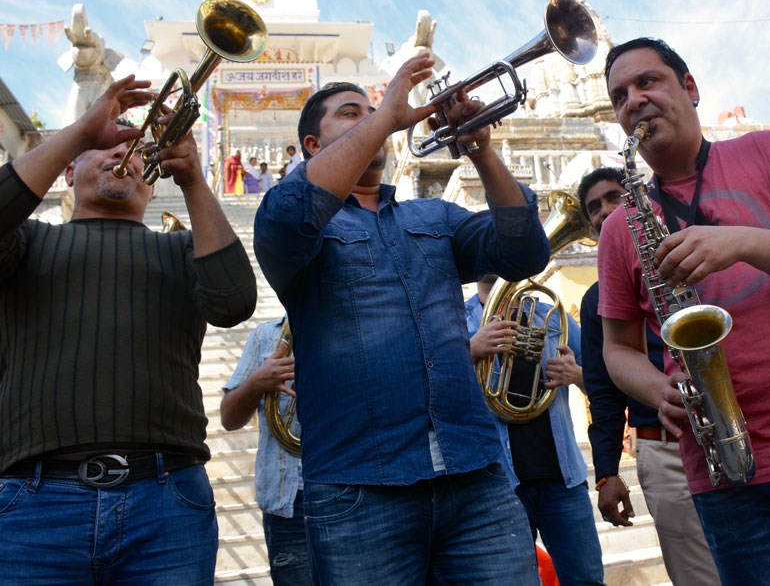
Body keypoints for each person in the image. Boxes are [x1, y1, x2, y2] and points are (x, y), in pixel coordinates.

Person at [253, 54, 551, 584]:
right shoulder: (291, 217)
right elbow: (289, 219)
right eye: (352, 113)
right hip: (358, 490)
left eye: (373, 110)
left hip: (476, 476)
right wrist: (385, 118)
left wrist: (481, 148)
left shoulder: (432, 215)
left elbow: (525, 252)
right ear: (313, 148)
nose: (373, 117)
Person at [0, 75, 258, 583]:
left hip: (166, 502)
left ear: (151, 179)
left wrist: (195, 181)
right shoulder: (25, 240)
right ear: (69, 170)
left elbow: (233, 304)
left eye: (136, 150)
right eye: (104, 146)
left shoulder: (182, 248)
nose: (123, 152)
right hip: (34, 504)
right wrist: (79, 131)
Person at [597, 37, 770, 584]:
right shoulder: (620, 226)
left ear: (690, 88)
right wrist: (654, 388)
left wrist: (739, 242)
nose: (633, 101)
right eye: (619, 97)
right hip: (727, 473)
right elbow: (617, 349)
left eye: (648, 82)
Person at [577, 166, 720, 586]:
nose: (605, 211)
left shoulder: (693, 252)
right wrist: (606, 472)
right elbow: (604, 393)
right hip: (664, 450)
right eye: (594, 208)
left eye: (614, 198)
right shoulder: (594, 300)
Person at [465, 275, 605, 586]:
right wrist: (471, 350)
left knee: (587, 581)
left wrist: (577, 374)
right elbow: (434, 389)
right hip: (499, 486)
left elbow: (605, 383)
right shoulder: (457, 321)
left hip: (563, 480)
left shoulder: (553, 315)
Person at [220, 316, 313, 586]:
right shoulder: (264, 336)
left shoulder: (352, 328)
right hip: (288, 506)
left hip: (349, 492)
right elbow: (229, 418)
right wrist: (256, 383)